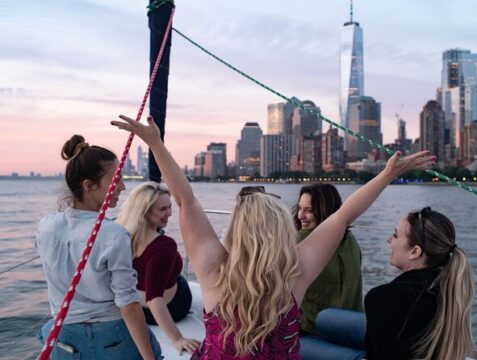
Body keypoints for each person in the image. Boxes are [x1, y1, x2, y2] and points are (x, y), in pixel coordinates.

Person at [111, 114, 434, 359]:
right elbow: (345, 214)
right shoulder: (296, 274)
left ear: (237, 228)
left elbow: (185, 200)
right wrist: (388, 174)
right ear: (281, 229)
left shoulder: (213, 269)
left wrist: (155, 143)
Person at [36, 135, 161, 360]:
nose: (122, 186)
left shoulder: (46, 227)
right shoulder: (114, 235)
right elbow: (128, 304)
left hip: (64, 333)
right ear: (88, 186)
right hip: (111, 335)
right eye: (116, 180)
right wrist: (149, 357)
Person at [364, 207, 475, 360]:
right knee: (327, 318)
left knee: (325, 326)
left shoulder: (381, 299)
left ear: (415, 252)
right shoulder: (450, 291)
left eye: (395, 235)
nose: (389, 239)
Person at [117, 181, 201, 355]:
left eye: (170, 207)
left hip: (138, 312)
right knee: (179, 279)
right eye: (163, 209)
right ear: (145, 211)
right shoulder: (164, 246)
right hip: (172, 307)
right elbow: (154, 299)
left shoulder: (121, 236)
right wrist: (177, 339)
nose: (169, 213)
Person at [293, 184, 363, 336]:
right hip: (354, 327)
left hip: (314, 330)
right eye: (299, 208)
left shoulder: (298, 240)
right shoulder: (350, 239)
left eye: (309, 210)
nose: (300, 216)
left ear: (325, 211)